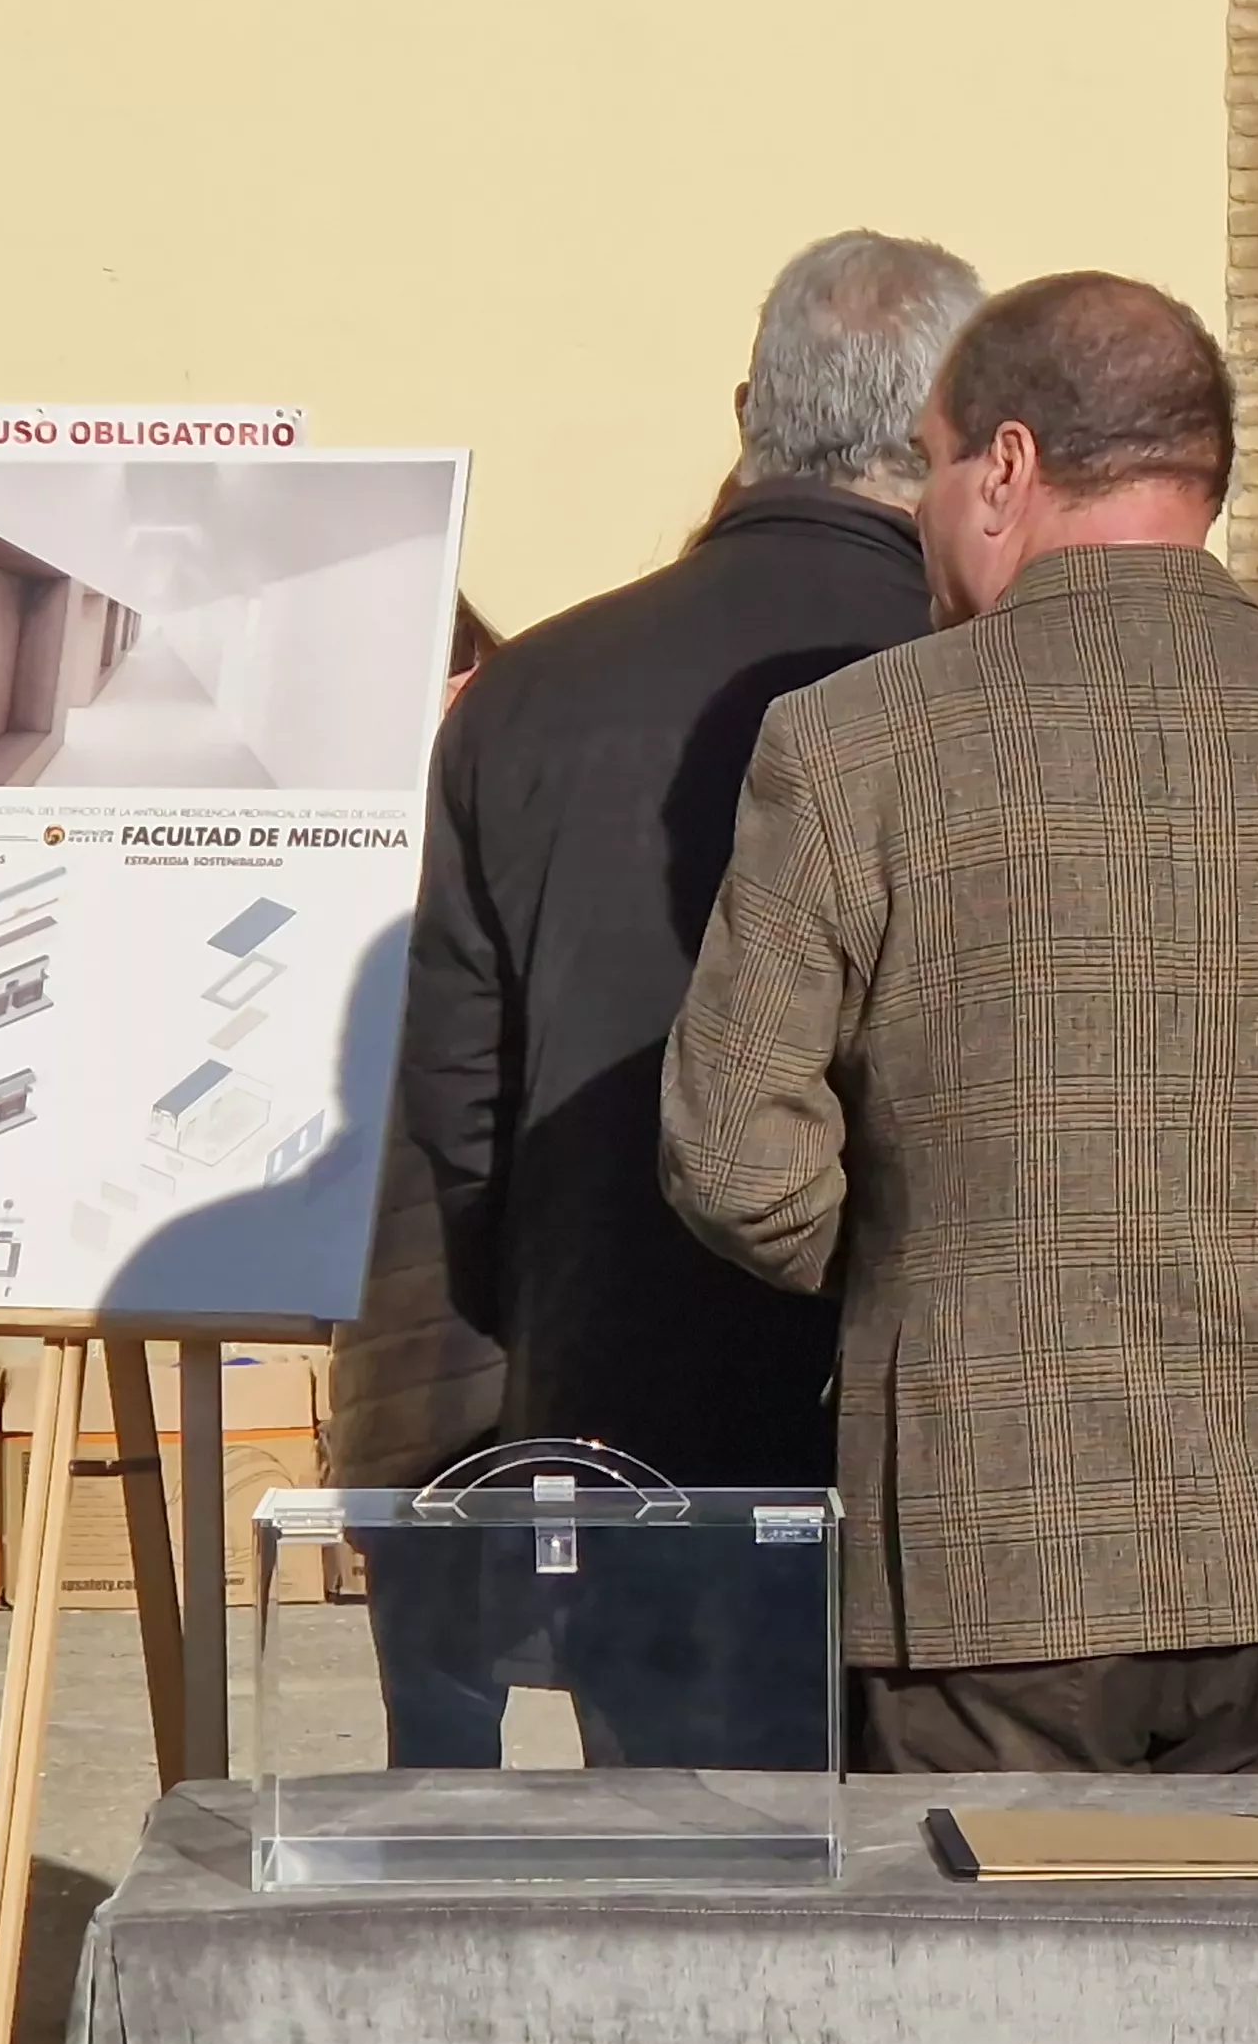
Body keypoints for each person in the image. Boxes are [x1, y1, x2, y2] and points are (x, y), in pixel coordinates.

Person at [662, 273, 1258, 1776]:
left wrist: (943, 1274)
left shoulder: (849, 745)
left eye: (935, 465)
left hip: (982, 1536)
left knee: (999, 2005)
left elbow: (734, 1158)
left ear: (1007, 468)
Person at [374, 227, 980, 1767]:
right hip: (925, 1415)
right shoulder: (977, 694)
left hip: (617, 1402)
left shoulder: (531, 690)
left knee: (675, 1864)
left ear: (744, 412)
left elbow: (457, 1091)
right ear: (951, 444)